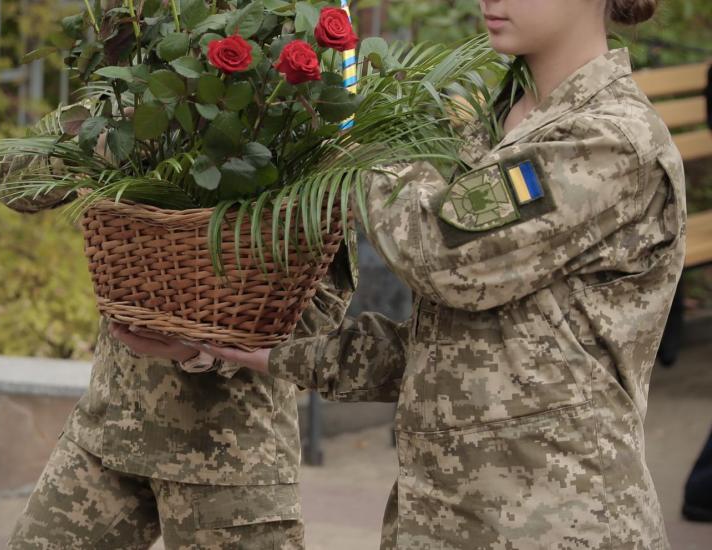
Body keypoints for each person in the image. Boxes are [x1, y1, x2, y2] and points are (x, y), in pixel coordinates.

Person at [177, 0, 686, 547]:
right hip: (441, 522)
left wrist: (353, 146)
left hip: (552, 526)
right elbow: (458, 355)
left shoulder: (609, 140)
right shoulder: (502, 121)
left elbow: (444, 255)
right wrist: (260, 345)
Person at [0, 104, 358, 549]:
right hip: (109, 435)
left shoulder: (297, 123)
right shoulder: (130, 96)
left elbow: (319, 311)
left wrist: (200, 350)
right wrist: (106, 121)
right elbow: (14, 184)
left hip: (229, 458)